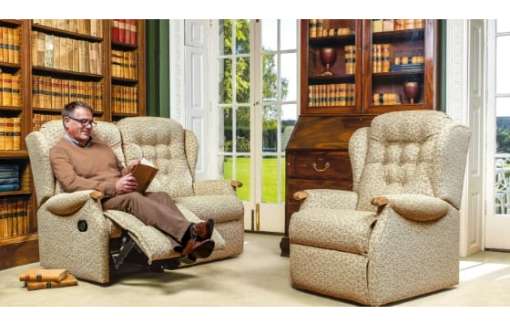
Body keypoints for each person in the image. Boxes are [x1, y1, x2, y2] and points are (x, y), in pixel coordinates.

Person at [49, 101, 214, 262]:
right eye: (83, 121)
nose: (89, 126)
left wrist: (131, 169)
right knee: (133, 199)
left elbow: (118, 171)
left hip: (122, 192)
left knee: (161, 196)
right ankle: (190, 232)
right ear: (67, 121)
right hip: (99, 199)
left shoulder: (102, 147)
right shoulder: (59, 151)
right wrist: (113, 186)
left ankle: (183, 246)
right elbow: (71, 183)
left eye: (91, 122)